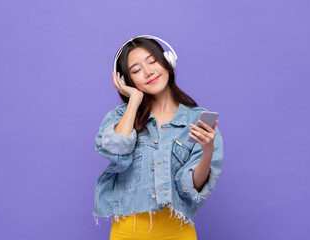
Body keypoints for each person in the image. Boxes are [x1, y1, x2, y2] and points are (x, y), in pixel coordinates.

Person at [93, 35, 224, 240]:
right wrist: (134, 100)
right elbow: (116, 151)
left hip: (178, 233)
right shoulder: (121, 117)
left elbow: (191, 188)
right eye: (136, 70)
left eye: (152, 61)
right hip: (128, 233)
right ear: (128, 80)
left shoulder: (195, 119)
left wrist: (207, 151)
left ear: (168, 61)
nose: (148, 72)